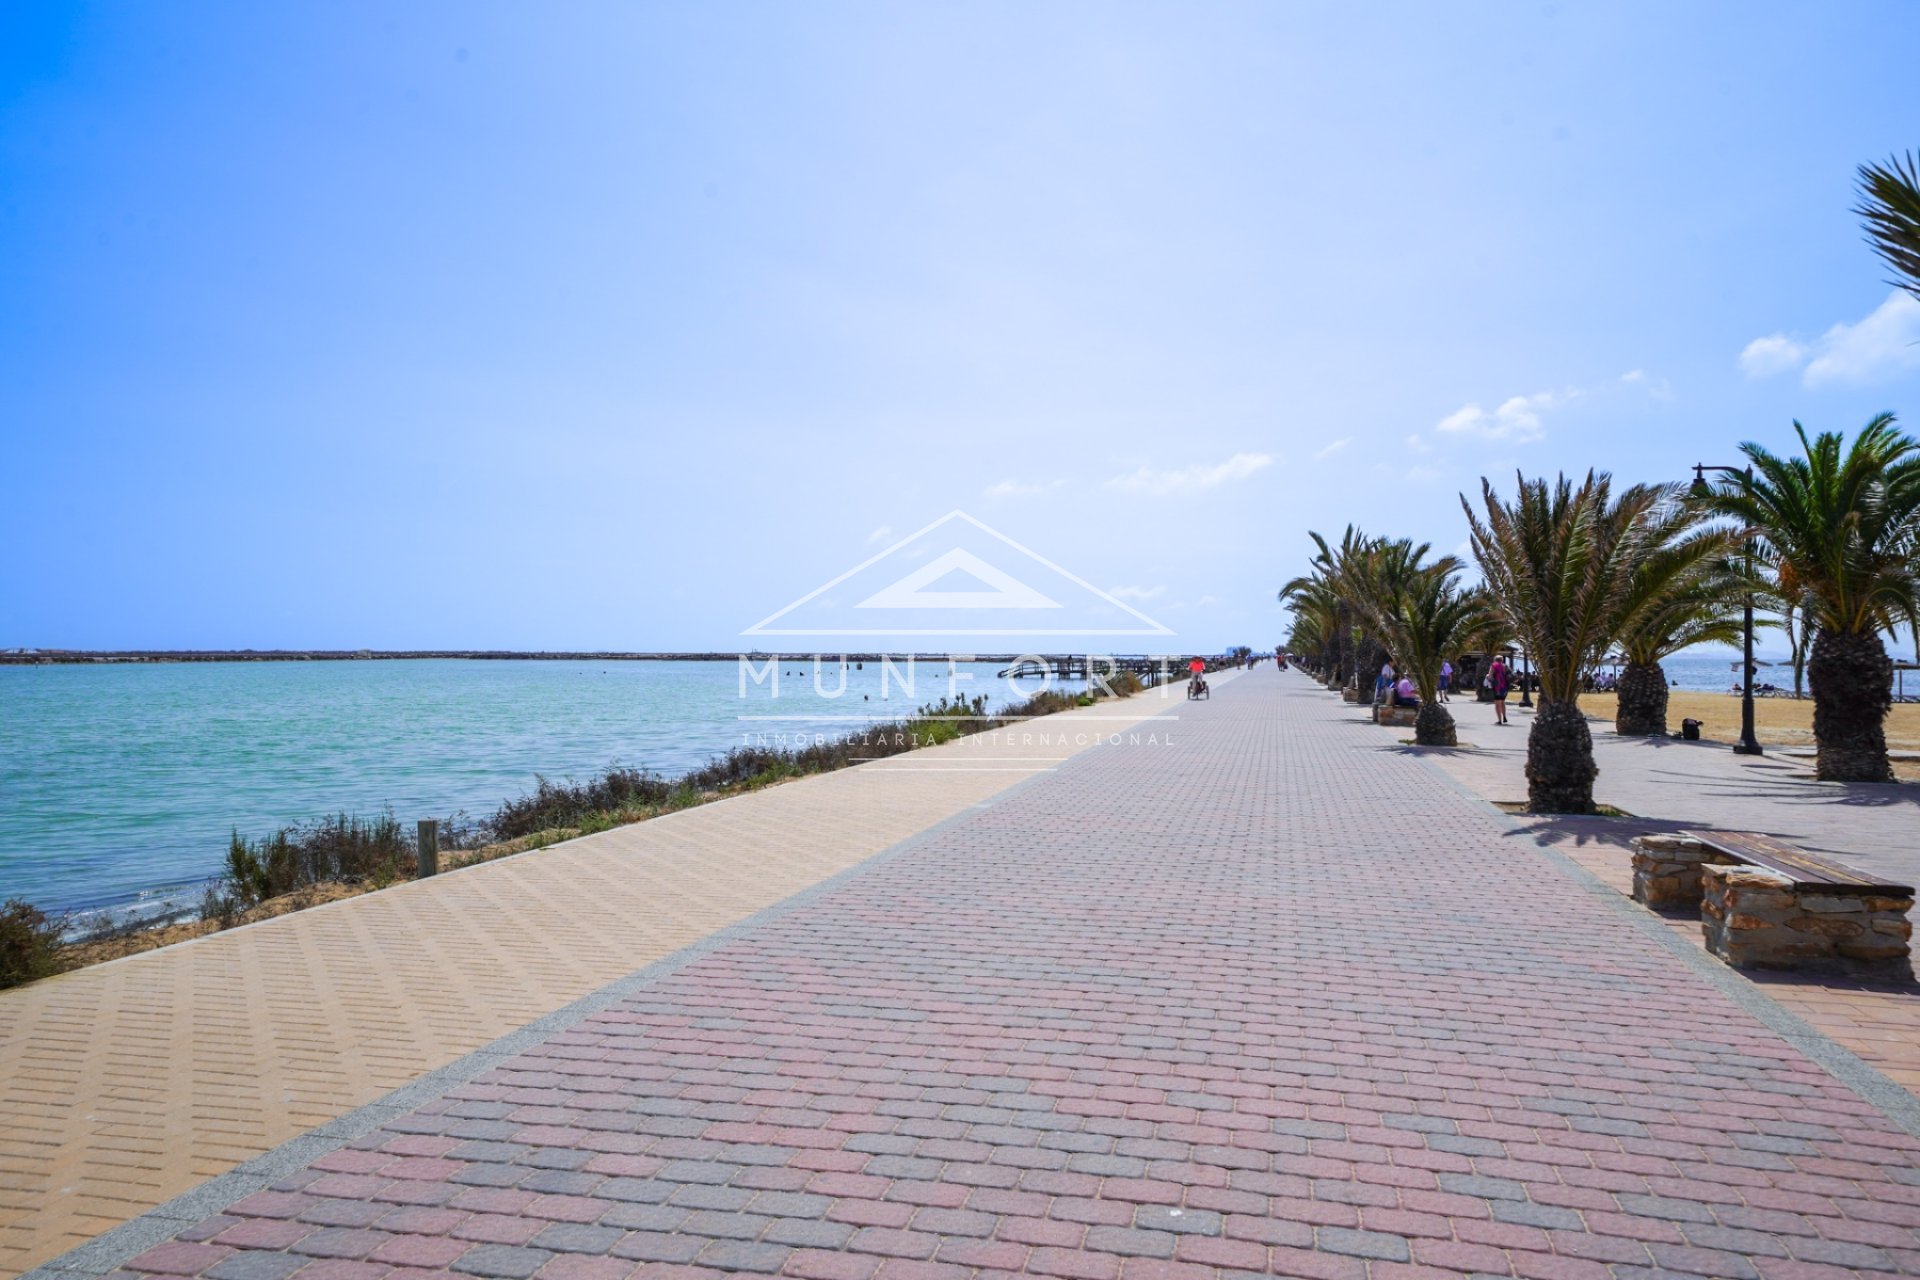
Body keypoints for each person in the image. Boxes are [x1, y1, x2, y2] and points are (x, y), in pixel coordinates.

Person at [1488, 655, 1510, 725]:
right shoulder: (1505, 666)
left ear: (1495, 659)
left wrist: (1487, 677)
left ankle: (1499, 720)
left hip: (1497, 687)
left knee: (1497, 703)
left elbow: (1490, 676)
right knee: (1502, 702)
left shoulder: (1494, 665)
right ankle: (1504, 716)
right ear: (1502, 660)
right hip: (1505, 687)